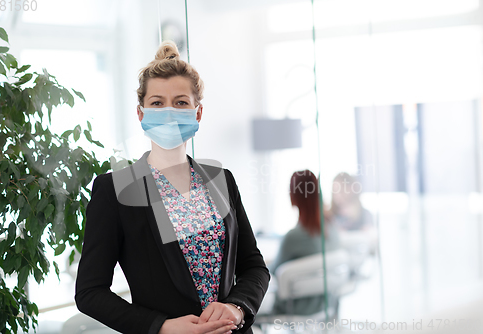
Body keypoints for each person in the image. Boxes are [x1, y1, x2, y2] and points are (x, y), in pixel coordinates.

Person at [74, 40, 270, 334]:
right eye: (156, 103)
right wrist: (162, 327)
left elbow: (254, 267)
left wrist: (236, 308)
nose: (169, 112)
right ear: (141, 114)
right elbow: (90, 292)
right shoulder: (115, 190)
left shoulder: (221, 180)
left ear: (197, 113)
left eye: (180, 102)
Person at [269, 170, 340, 316]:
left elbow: (273, 272)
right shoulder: (332, 229)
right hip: (326, 304)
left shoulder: (293, 237)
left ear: (293, 197)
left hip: (295, 307)